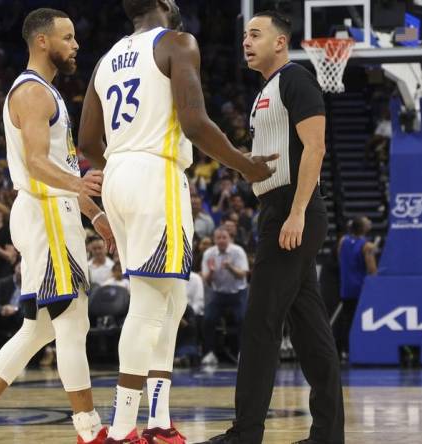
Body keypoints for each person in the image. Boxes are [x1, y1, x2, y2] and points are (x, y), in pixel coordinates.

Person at [78, 1, 274, 441]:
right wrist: (244, 165)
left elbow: (88, 140)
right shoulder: (178, 42)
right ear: (166, 3)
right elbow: (195, 122)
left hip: (118, 172)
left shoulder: (106, 59)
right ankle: (123, 429)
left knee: (173, 300)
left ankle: (161, 422)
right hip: (156, 174)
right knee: (149, 305)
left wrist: (123, 162)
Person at [0, 9, 111, 444]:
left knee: (39, 328)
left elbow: (54, 164)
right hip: (47, 211)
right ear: (41, 42)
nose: (75, 46)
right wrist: (78, 184)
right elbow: (38, 165)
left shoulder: (44, 92)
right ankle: (89, 432)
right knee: (73, 323)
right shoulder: (34, 93)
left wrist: (95, 215)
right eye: (67, 38)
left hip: (51, 211)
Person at [203, 11, 345, 443]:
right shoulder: (266, 90)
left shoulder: (296, 79)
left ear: (280, 42)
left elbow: (315, 148)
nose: (246, 41)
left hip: (292, 210)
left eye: (255, 34)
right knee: (309, 330)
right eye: (244, 34)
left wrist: (298, 211)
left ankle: (245, 433)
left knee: (261, 323)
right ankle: (327, 434)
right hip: (275, 207)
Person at [200, 227, 248, 366]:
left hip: (238, 292)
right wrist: (211, 272)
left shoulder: (237, 251)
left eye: (224, 237)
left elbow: (243, 274)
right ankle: (209, 353)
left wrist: (230, 267)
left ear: (229, 238)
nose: (221, 240)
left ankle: (242, 353)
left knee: (242, 319)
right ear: (215, 240)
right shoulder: (209, 253)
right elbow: (206, 280)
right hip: (219, 293)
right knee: (208, 319)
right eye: (218, 238)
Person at [336, 217, 376, 358]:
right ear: (364, 228)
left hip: (346, 286)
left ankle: (344, 350)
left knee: (346, 319)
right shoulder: (367, 246)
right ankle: (357, 350)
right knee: (360, 320)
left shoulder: (343, 241)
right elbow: (372, 270)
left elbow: (340, 258)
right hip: (360, 288)